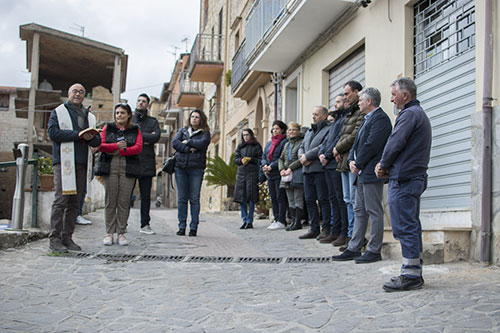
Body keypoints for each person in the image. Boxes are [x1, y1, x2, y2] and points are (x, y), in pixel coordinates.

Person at [376, 77, 431, 292]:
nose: (391, 99)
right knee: (411, 225)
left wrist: (382, 164)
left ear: (405, 95)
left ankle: (410, 275)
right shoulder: (418, 114)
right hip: (412, 177)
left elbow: (395, 143)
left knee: (405, 226)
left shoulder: (408, 115)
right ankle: (414, 269)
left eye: (393, 95)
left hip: (405, 179)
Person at [332, 87, 392, 263]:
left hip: (371, 172)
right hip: (360, 172)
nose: (358, 102)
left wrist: (358, 163)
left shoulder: (380, 119)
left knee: (374, 210)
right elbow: (357, 144)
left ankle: (374, 250)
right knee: (359, 210)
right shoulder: (367, 119)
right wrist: (351, 160)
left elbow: (372, 145)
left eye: (361, 100)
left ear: (369, 101)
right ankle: (354, 247)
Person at [47, 83, 101, 252]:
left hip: (82, 162)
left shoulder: (89, 116)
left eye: (81, 92)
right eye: (75, 91)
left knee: (75, 203)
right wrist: (78, 135)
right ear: (68, 93)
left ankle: (67, 237)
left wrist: (91, 137)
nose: (78, 94)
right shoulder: (58, 112)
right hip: (64, 162)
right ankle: (54, 238)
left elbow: (97, 142)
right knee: (61, 200)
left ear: (84, 96)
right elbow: (53, 133)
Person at [96, 103, 143, 246]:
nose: (119, 115)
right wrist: (115, 146)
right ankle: (109, 232)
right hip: (110, 166)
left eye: (122, 113)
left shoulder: (135, 130)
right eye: (117, 113)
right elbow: (100, 145)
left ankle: (121, 233)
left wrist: (124, 150)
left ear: (129, 114)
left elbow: (138, 147)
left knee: (123, 201)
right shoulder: (107, 128)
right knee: (111, 200)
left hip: (128, 167)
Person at [334, 80, 365, 243]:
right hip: (343, 161)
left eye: (347, 94)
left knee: (354, 201)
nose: (345, 97)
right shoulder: (350, 112)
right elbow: (342, 134)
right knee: (347, 200)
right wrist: (337, 148)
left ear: (356, 92)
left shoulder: (361, 111)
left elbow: (354, 135)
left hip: (352, 160)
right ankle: (350, 235)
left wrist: (337, 148)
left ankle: (356, 237)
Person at [172, 109, 211, 237]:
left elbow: (203, 144)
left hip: (196, 169)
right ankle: (181, 226)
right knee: (182, 198)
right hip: (180, 168)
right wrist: (190, 149)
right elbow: (175, 143)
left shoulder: (205, 133)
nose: (194, 119)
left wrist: (187, 142)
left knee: (194, 198)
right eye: (192, 116)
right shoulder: (183, 131)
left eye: (197, 117)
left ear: (201, 120)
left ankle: (193, 227)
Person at [318, 94, 349, 245]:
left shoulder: (344, 119)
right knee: (332, 199)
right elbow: (327, 141)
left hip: (335, 163)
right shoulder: (336, 120)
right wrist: (321, 154)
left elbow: (339, 139)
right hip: (327, 163)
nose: (335, 105)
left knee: (340, 199)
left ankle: (343, 232)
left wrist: (328, 155)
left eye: (338, 102)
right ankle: (334, 230)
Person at [298, 106, 331, 239]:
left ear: (324, 116)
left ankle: (326, 228)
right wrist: (302, 157)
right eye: (313, 114)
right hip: (306, 170)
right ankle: (314, 228)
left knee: (323, 200)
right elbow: (301, 146)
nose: (313, 117)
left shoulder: (328, 129)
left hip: (319, 170)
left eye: (316, 114)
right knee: (309, 200)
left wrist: (308, 156)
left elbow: (322, 146)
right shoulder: (310, 131)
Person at [133, 93, 161, 235]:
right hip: (130, 161)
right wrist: (145, 137)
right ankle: (122, 224)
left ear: (148, 104)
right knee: (125, 195)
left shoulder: (153, 121)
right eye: (139, 101)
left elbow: (156, 136)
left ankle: (145, 224)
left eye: (144, 101)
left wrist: (137, 135)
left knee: (145, 197)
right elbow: (126, 136)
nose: (141, 103)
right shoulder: (129, 119)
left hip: (147, 162)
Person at [233, 129, 263, 229]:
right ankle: (244, 219)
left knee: (251, 198)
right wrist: (241, 160)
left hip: (252, 174)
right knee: (242, 198)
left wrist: (251, 159)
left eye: (247, 135)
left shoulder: (256, 146)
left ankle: (250, 220)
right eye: (244, 135)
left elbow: (260, 159)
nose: (245, 137)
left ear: (251, 135)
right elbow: (235, 160)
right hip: (241, 174)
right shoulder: (240, 147)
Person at [261, 120, 288, 230]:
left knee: (280, 197)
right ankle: (276, 219)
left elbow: (282, 157)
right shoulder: (269, 143)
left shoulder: (284, 142)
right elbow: (264, 156)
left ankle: (282, 220)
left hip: (278, 173)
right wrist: (264, 165)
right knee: (273, 197)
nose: (275, 131)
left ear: (281, 129)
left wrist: (272, 166)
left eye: (277, 129)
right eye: (273, 129)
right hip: (270, 174)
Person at [278, 122, 305, 231]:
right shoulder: (287, 144)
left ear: (298, 131)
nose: (291, 132)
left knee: (298, 198)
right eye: (289, 130)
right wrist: (281, 169)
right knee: (290, 199)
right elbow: (281, 158)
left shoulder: (302, 142)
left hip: (297, 173)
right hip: (286, 175)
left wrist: (290, 168)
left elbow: (300, 159)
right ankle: (293, 220)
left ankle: (298, 221)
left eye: (294, 130)